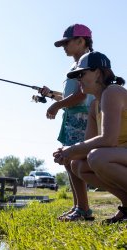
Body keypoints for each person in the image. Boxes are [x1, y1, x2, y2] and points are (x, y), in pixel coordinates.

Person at [53, 51, 127, 223]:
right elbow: (87, 145)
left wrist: (71, 149)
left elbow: (108, 140)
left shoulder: (113, 92)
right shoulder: (95, 104)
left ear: (98, 73)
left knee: (97, 157)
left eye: (82, 74)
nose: (78, 79)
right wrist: (66, 154)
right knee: (78, 164)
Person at [39, 24, 94, 220]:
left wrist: (56, 106)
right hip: (73, 117)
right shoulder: (75, 65)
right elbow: (70, 96)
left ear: (81, 41)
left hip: (82, 117)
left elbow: (81, 95)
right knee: (68, 162)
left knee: (73, 160)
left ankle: (83, 209)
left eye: (66, 42)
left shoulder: (87, 61)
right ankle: (79, 206)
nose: (63, 46)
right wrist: (52, 95)